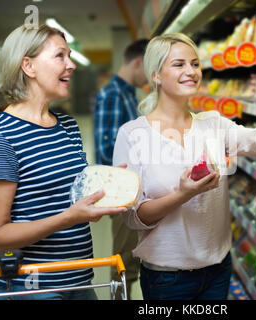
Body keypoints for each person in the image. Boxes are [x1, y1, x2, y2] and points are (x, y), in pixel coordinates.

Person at [112, 33, 256, 300]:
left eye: (194, 64)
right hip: (167, 277)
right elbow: (133, 217)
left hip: (217, 270)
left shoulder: (213, 124)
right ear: (155, 75)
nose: (191, 71)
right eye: (179, 65)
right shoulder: (132, 134)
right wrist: (183, 194)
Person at [0, 24, 127, 300]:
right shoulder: (0, 139)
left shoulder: (67, 125)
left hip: (79, 277)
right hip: (33, 287)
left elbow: (66, 193)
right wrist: (69, 218)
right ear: (28, 66)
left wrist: (108, 186)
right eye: (60, 56)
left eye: (70, 56)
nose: (71, 65)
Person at [94, 38, 148, 299]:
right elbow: (108, 152)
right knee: (125, 264)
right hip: (123, 192)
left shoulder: (128, 93)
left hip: (134, 191)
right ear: (138, 62)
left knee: (132, 260)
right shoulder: (114, 94)